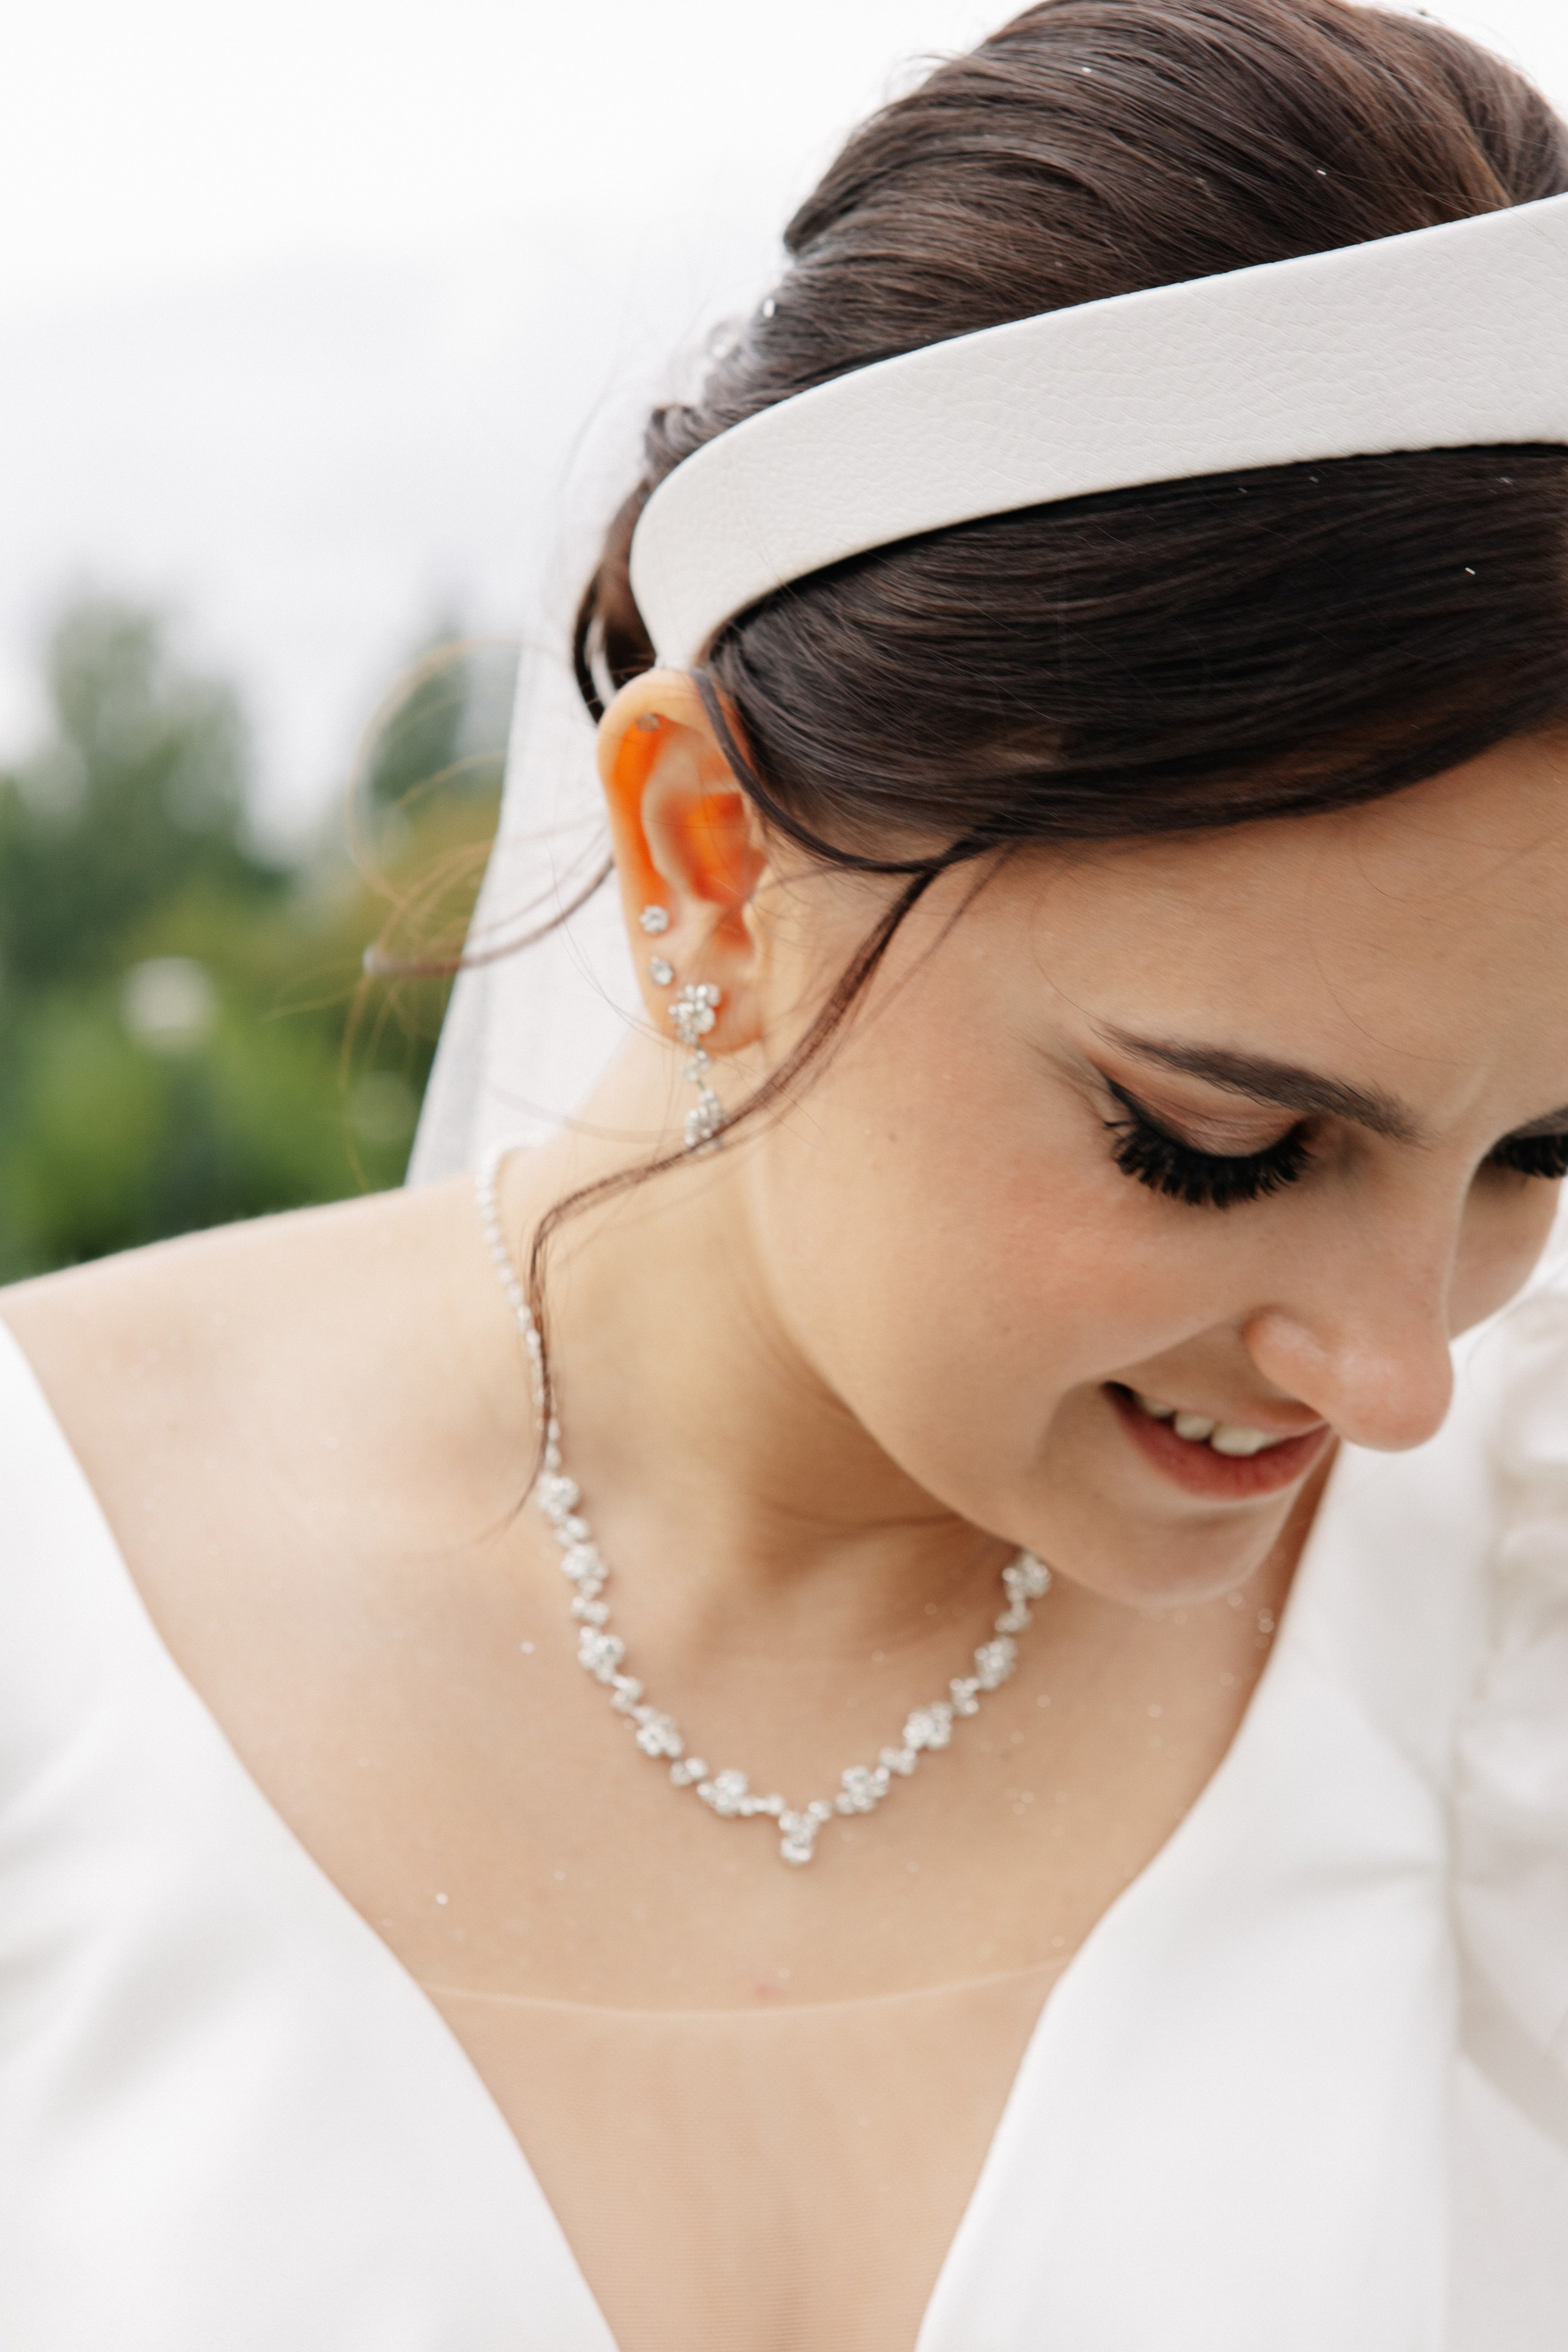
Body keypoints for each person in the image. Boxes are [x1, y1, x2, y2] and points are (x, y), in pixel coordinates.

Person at [3, 0, 1567, 2344]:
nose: (1399, 1375)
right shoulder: (44, 1608)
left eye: (1542, 1151)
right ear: (709, 859)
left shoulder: (1514, 1616)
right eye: (1219, 1145)